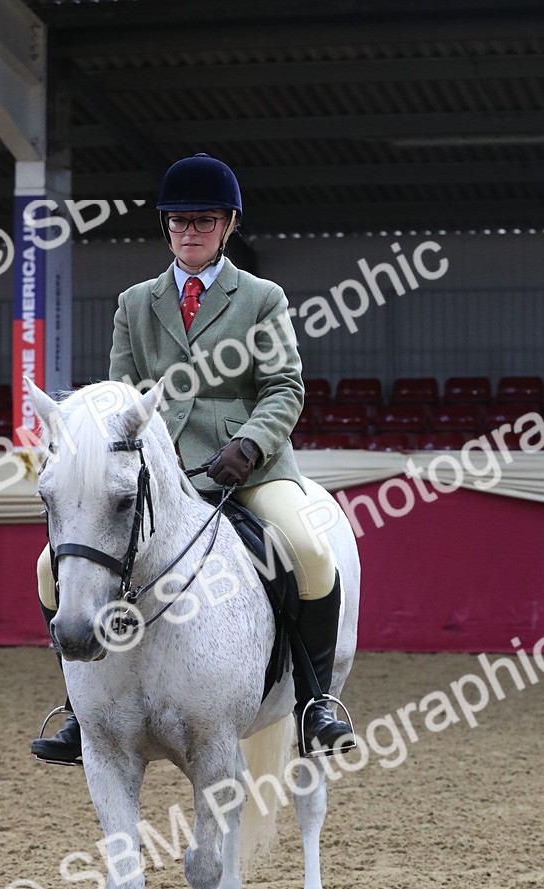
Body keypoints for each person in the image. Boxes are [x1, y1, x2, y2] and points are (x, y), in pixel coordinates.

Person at [31, 153, 355, 764]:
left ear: (228, 225)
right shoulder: (135, 303)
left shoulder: (261, 298)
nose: (189, 233)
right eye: (178, 222)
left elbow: (285, 386)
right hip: (157, 473)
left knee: (310, 551)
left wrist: (251, 444)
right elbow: (119, 400)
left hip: (246, 468)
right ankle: (80, 707)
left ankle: (315, 702)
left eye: (203, 221)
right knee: (54, 564)